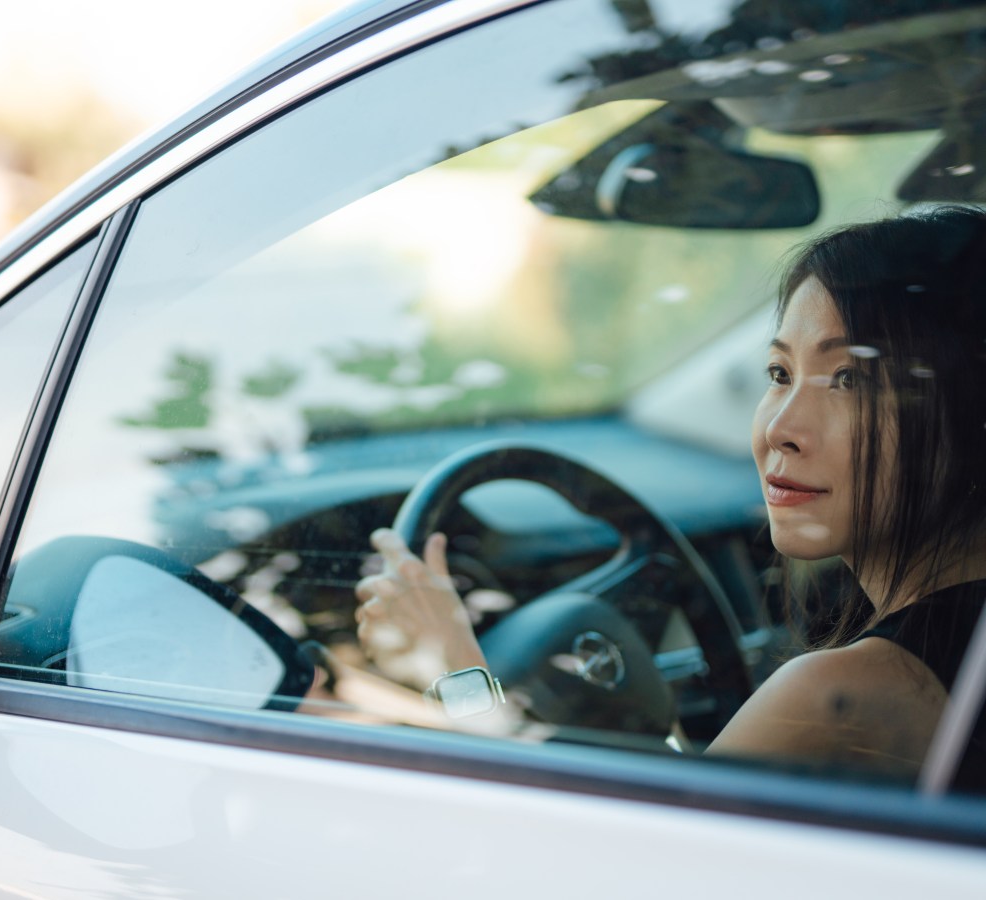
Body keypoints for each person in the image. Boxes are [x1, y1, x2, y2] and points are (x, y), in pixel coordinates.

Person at [353, 206, 986, 781]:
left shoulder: (843, 696)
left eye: (849, 379)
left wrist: (451, 667)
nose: (779, 429)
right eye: (779, 374)